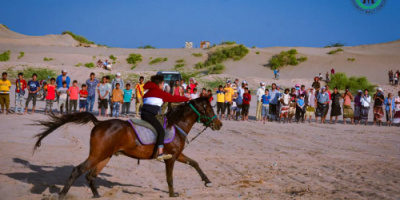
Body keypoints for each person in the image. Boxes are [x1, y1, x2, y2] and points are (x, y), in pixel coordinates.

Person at [141, 75, 189, 161]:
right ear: (159, 84)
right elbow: (173, 98)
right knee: (161, 131)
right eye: (163, 83)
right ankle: (160, 153)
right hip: (150, 116)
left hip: (143, 115)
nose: (163, 85)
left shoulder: (147, 92)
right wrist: (186, 98)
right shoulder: (160, 93)